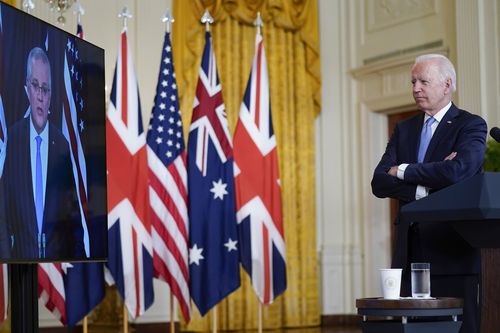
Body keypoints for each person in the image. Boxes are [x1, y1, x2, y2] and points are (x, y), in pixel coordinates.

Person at [371, 54, 487, 333]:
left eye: (423, 81)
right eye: (413, 81)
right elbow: (378, 183)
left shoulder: (470, 125)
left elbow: (458, 172)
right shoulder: (404, 129)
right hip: (410, 252)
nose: (415, 88)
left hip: (453, 251)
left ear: (447, 85)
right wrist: (427, 188)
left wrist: (403, 170)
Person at [0, 47, 85, 260]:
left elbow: (74, 221)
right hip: (19, 268)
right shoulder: (11, 141)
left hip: (56, 272)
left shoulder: (62, 146)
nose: (40, 96)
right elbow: (2, 217)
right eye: (35, 86)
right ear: (26, 89)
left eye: (45, 89)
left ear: (51, 96)